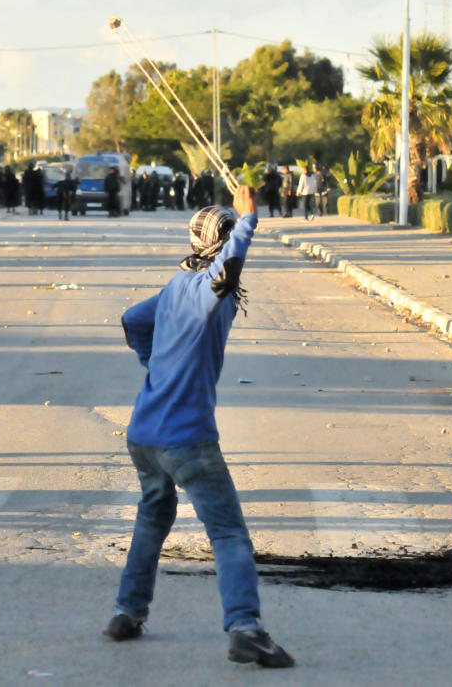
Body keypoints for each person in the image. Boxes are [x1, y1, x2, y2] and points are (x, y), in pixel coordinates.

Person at [107, 186, 294, 670]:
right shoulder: (215, 287)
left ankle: (127, 612)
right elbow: (228, 272)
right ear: (223, 242)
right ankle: (246, 629)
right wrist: (250, 219)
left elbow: (132, 320)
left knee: (152, 518)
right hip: (187, 437)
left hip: (143, 434)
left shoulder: (177, 284)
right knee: (229, 534)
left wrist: (155, 366)